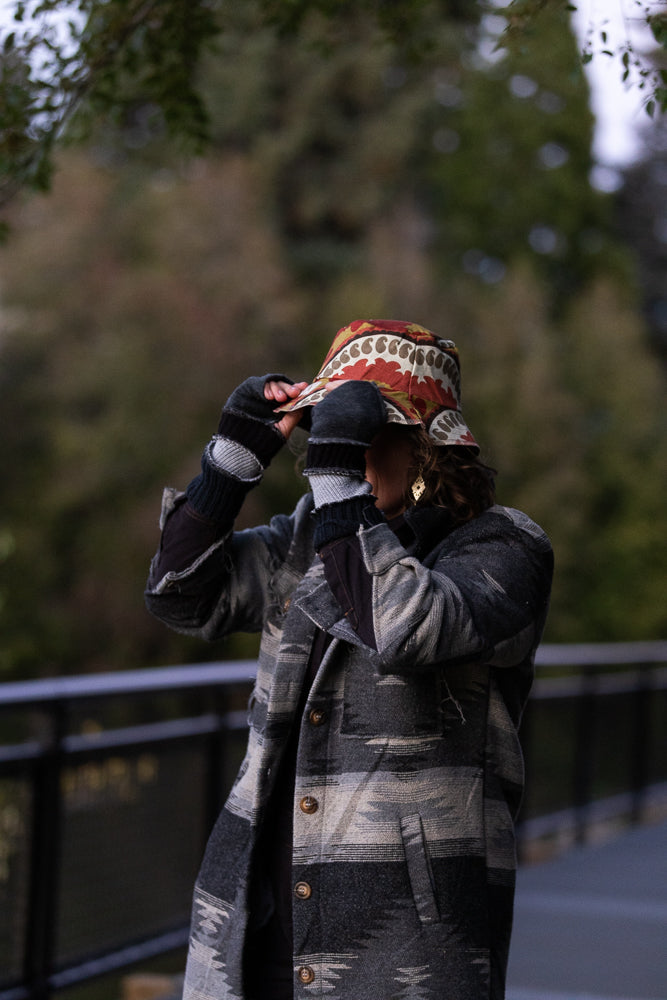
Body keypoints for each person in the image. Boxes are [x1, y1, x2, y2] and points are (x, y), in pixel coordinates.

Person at [145, 319, 553, 1000]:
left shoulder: (503, 550)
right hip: (251, 922)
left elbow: (402, 626)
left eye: (360, 436)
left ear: (424, 445)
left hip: (400, 949)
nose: (332, 459)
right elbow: (181, 599)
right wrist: (227, 468)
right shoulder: (307, 535)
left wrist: (339, 489)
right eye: (325, 438)